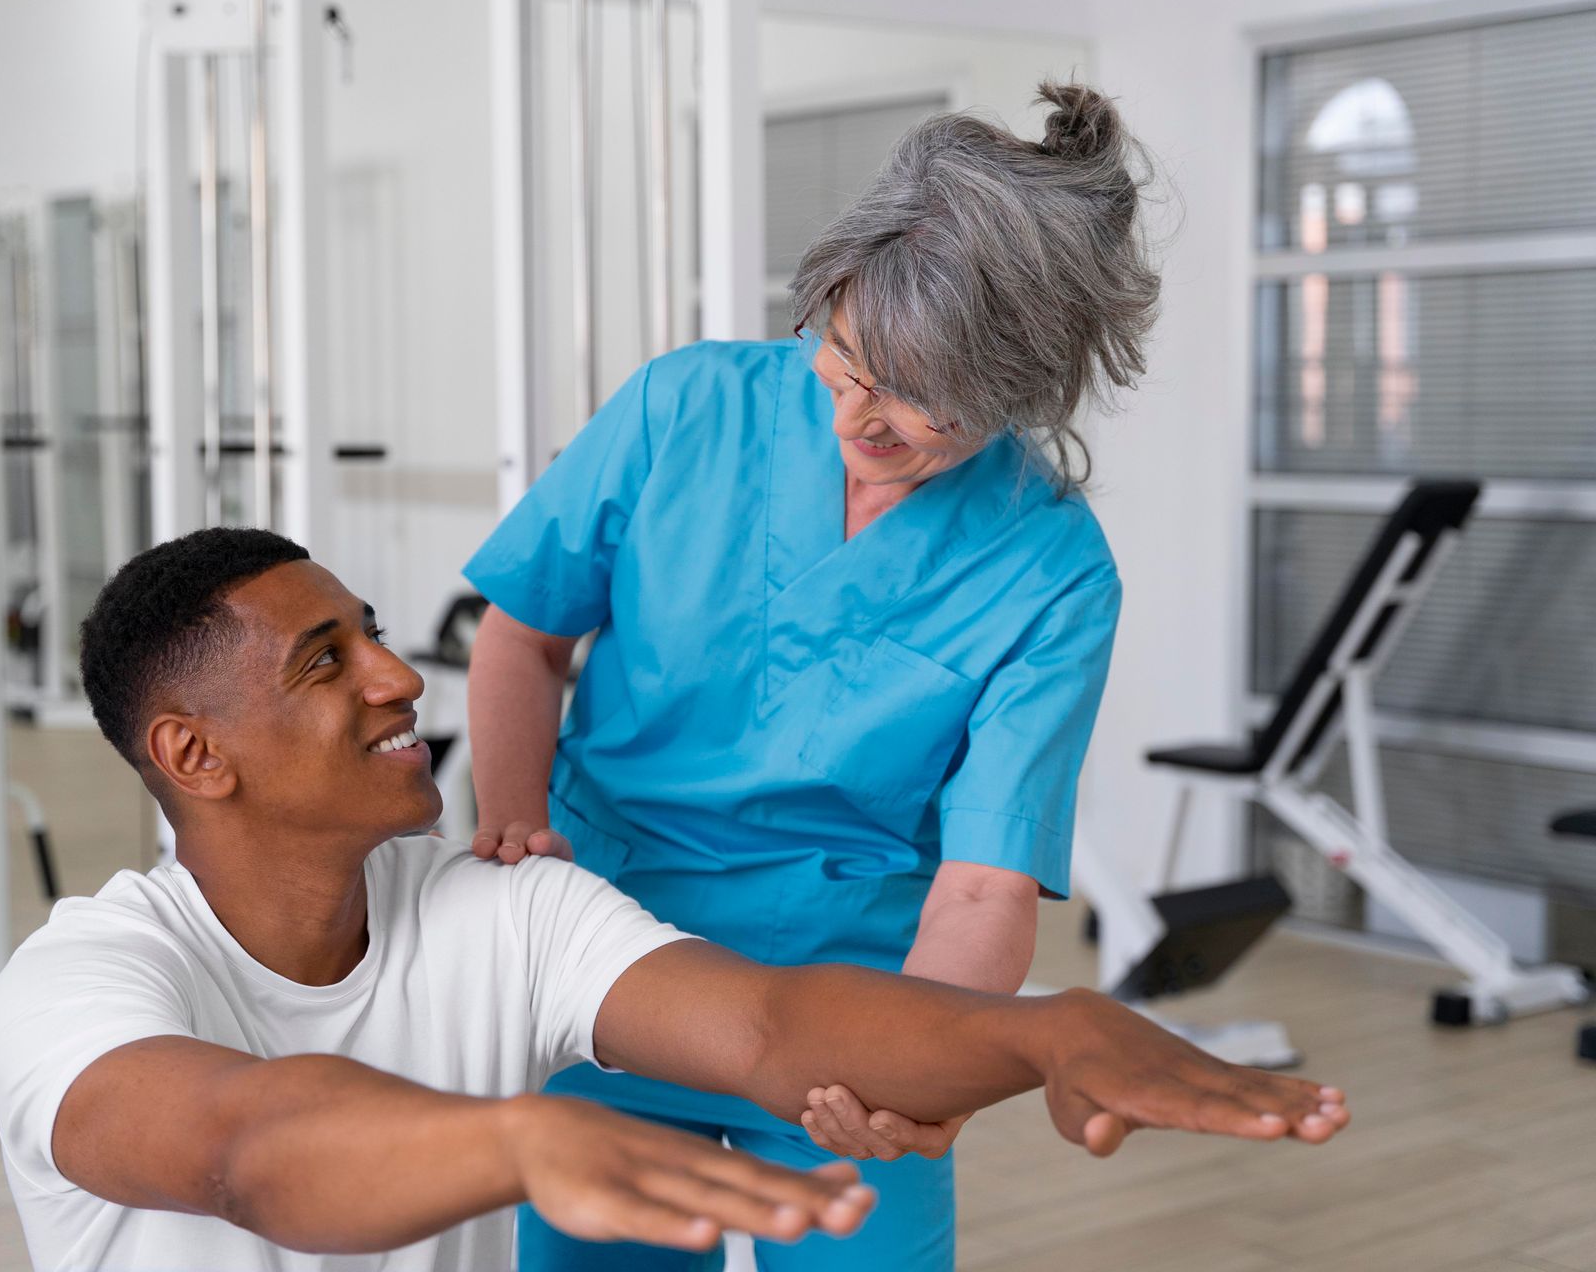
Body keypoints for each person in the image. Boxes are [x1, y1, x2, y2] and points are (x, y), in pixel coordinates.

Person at [0, 529, 1349, 1272]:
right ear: (194, 756)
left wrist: (1045, 1031)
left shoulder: (493, 913)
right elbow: (241, 1150)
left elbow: (771, 1023)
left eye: (379, 636)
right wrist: (519, 1142)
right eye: (325, 663)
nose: (399, 678)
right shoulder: (81, 982)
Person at [462, 83, 1158, 1270]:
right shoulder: (686, 405)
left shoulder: (1051, 566)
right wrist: (515, 822)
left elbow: (985, 885)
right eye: (842, 362)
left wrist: (922, 1061)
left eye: (912, 398)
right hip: (612, 968)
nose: (857, 415)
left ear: (1022, 388)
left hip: (852, 1005)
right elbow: (522, 634)